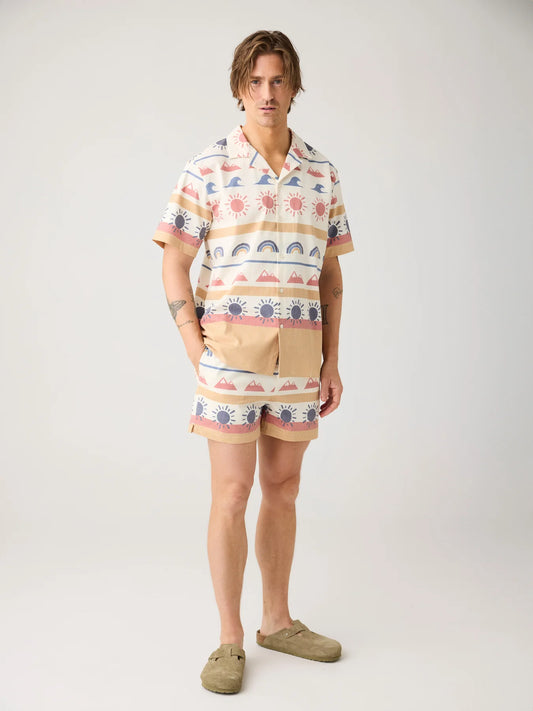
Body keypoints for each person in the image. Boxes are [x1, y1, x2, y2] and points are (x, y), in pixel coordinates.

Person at [152, 30, 355, 694]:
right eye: (255, 81)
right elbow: (174, 259)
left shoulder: (321, 173)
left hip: (298, 360)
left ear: (294, 88)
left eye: (278, 80)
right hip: (228, 360)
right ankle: (229, 637)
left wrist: (330, 360)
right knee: (231, 494)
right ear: (239, 88)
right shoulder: (207, 167)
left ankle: (277, 621)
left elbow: (330, 275)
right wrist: (195, 346)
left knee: (284, 489)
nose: (267, 93)